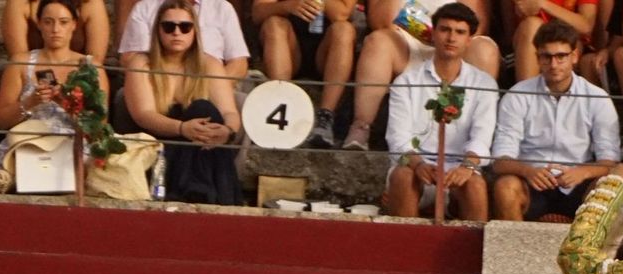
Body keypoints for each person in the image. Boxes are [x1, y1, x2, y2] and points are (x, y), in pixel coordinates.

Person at [492, 20, 619, 220]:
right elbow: (500, 161)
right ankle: (515, 250)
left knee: (609, 186)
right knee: (505, 186)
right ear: (537, 57)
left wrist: (582, 173)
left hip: (578, 184)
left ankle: (588, 250)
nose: (553, 64)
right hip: (532, 183)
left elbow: (610, 161)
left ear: (575, 56)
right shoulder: (517, 95)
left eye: (561, 56)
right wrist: (528, 171)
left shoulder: (598, 98)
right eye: (546, 57)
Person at [120, 0, 242, 204]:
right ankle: (215, 198)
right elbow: (143, 114)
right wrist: (182, 128)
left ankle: (199, 192)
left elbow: (230, 112)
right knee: (202, 112)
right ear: (158, 31)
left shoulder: (210, 63)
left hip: (203, 149)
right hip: (160, 148)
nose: (177, 33)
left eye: (185, 27)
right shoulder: (141, 63)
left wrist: (227, 131)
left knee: (204, 110)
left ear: (195, 31)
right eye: (169, 27)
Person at [384, 1, 497, 220]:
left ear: (469, 39)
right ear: (433, 33)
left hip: (459, 169)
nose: (451, 38)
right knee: (403, 175)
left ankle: (473, 253)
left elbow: (482, 138)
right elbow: (397, 138)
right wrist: (418, 164)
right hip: (417, 167)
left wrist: (466, 167)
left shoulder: (484, 84)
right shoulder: (406, 81)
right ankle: (404, 249)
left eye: (460, 32)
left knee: (475, 184)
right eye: (445, 29)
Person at [342, 0, 500, 149]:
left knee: (484, 49)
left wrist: (442, 36)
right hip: (405, 45)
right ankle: (361, 126)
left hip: (454, 47)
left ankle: (478, 137)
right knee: (377, 41)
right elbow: (382, 22)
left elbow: (477, 25)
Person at [0, 0, 104, 169]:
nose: (55, 29)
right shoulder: (21, 62)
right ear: (39, 24)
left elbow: (99, 127)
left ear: (74, 24)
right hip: (29, 142)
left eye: (63, 22)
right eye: (48, 22)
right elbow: (1, 120)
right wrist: (30, 102)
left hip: (73, 144)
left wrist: (65, 103)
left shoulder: (91, 67)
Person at [249, 0, 356, 147]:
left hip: (326, 51)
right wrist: (287, 6)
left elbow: (341, 14)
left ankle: (325, 117)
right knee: (273, 24)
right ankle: (281, 109)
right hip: (290, 46)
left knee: (344, 30)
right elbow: (258, 13)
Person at [118, 0, 248, 80]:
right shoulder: (144, 8)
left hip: (211, 90)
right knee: (123, 99)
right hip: (156, 91)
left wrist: (212, 88)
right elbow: (130, 58)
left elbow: (239, 64)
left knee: (242, 104)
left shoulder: (222, 8)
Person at [0, 0, 107, 63]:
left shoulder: (90, 3)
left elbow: (95, 60)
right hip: (31, 76)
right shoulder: (20, 3)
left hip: (77, 76)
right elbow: (19, 61)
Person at [512, 0, 596, 81]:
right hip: (532, 39)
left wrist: (543, 4)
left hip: (568, 40)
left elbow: (586, 26)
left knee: (568, 42)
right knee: (532, 25)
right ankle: (525, 93)